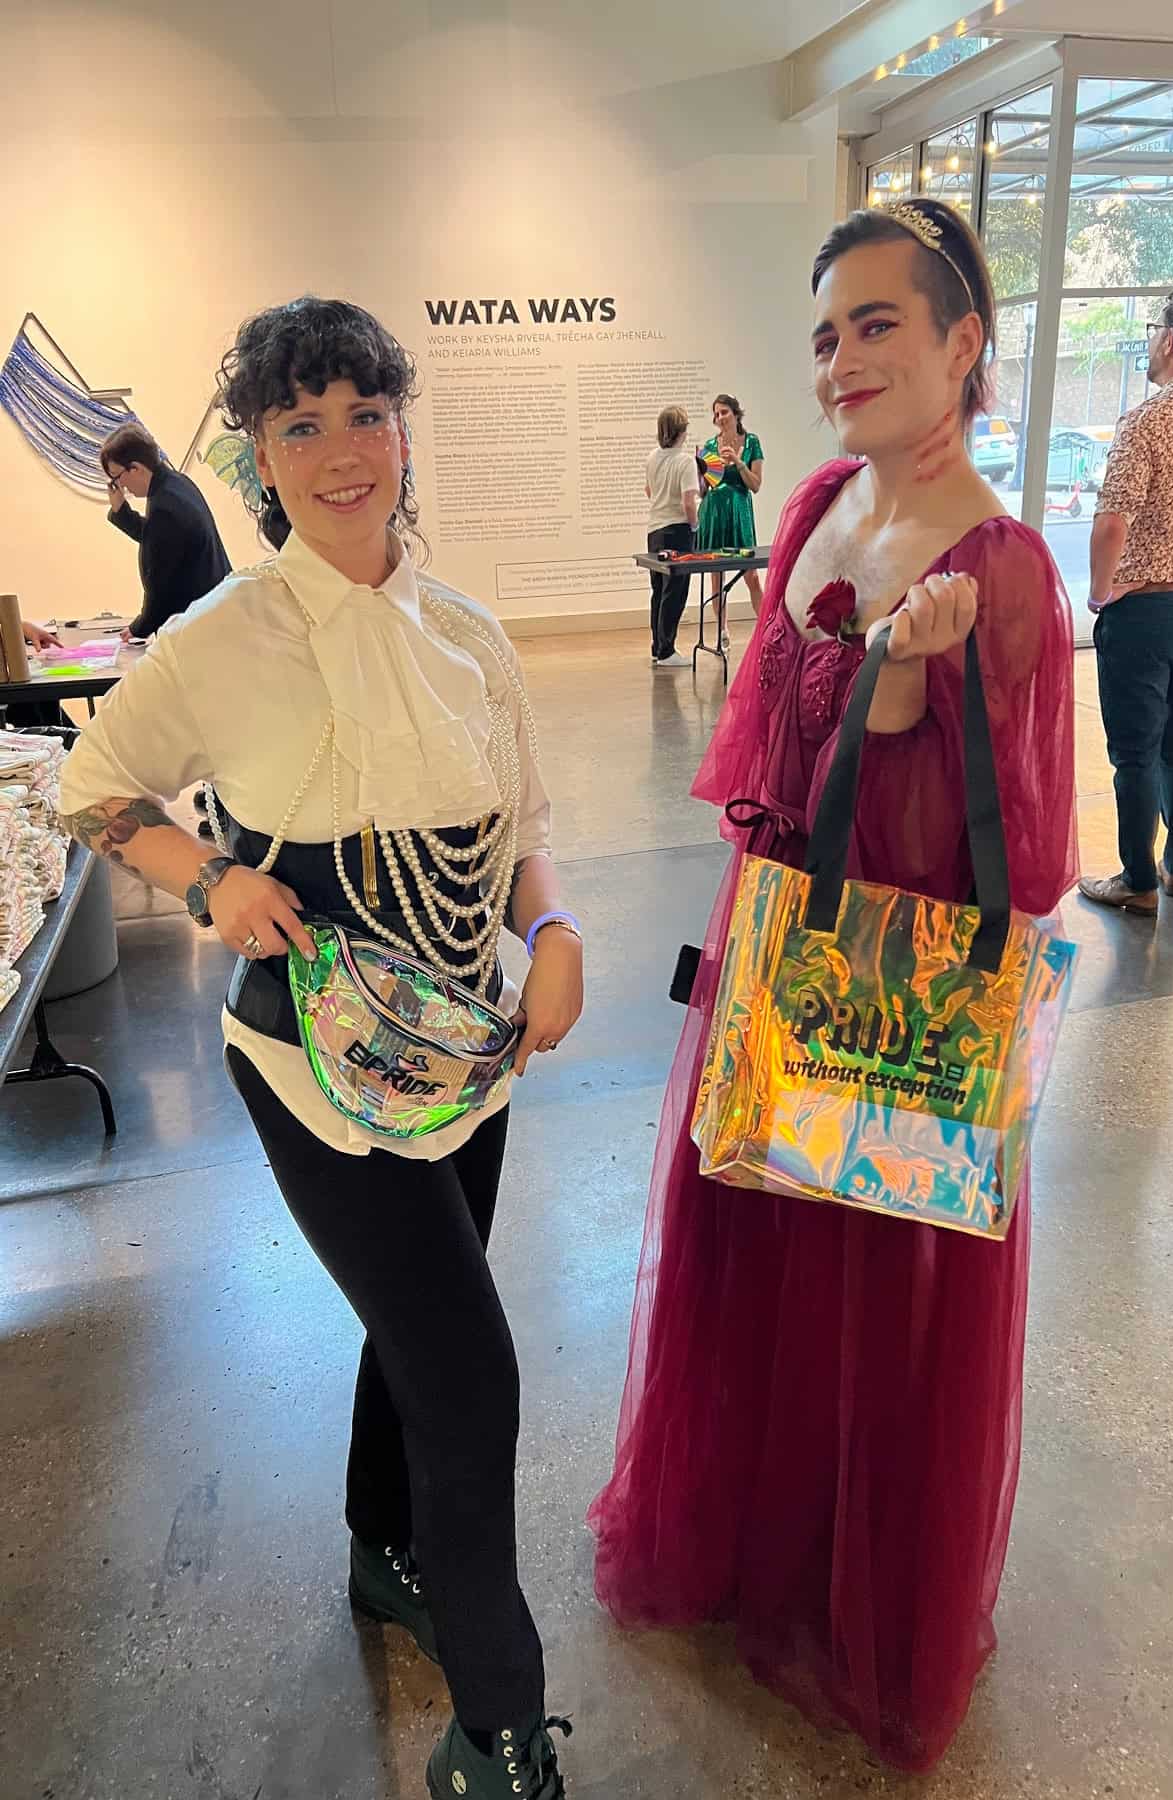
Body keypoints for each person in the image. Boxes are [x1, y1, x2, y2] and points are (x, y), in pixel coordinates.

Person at [59, 297, 583, 1800]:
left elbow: (526, 832)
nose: (342, 450)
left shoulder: (472, 632)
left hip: (464, 1051)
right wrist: (210, 878)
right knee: (471, 1376)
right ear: (257, 455)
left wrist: (552, 934)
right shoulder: (219, 642)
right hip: (308, 1067)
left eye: (367, 412)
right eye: (302, 424)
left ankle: (385, 1549)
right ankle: (498, 1731)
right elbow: (93, 788)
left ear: (403, 426)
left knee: (413, 1326)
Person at [588, 200, 1077, 1773]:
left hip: (891, 1006)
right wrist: (866, 708)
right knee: (757, 1264)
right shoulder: (810, 510)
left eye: (879, 325)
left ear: (962, 343)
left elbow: (1038, 855)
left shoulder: (1004, 566)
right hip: (776, 958)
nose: (843, 360)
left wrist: (928, 699)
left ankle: (853, 1592)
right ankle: (754, 1543)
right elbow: (759, 765)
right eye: (824, 333)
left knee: (872, 1297)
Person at [1078, 281, 1173, 915]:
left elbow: (1111, 523)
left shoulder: (1148, 420)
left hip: (1145, 610)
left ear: (1172, 339)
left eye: (1155, 329)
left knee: (1135, 749)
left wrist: (1102, 593)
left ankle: (1138, 879)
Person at [100, 423, 232, 642]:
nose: (119, 486)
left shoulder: (164, 506)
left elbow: (161, 586)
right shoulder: (176, 483)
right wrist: (120, 510)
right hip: (212, 612)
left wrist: (139, 627)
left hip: (198, 627)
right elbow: (158, 539)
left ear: (136, 469)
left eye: (117, 477)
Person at [697, 393, 765, 621]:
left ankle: (766, 629)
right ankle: (722, 633)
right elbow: (704, 490)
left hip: (739, 514)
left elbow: (755, 485)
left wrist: (738, 462)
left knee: (751, 575)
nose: (720, 417)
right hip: (714, 514)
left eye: (724, 411)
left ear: (736, 413)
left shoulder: (751, 442)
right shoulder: (709, 445)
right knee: (716, 577)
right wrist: (699, 474)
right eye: (716, 414)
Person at [645, 404, 700, 668]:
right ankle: (667, 652)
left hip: (654, 530)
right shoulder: (685, 461)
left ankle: (658, 647)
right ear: (682, 430)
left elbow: (649, 491)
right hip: (677, 530)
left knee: (658, 591)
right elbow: (689, 502)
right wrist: (695, 526)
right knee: (675, 592)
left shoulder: (653, 457)